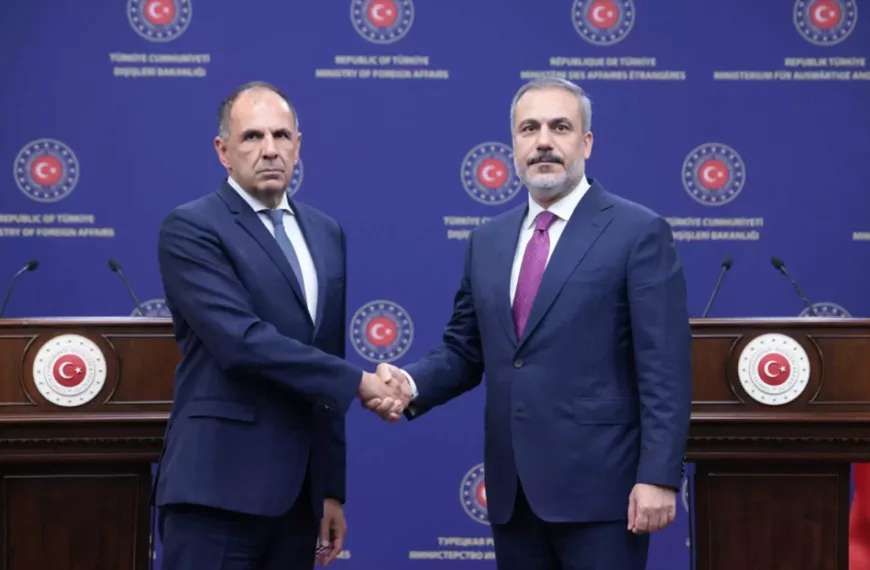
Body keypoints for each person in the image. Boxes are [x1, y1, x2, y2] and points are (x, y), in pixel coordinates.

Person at [369, 78, 692, 570]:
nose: (543, 141)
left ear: (586, 142)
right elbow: (464, 350)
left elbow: (664, 366)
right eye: (529, 129)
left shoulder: (638, 232)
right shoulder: (486, 242)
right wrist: (410, 384)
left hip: (605, 495)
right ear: (514, 145)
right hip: (514, 495)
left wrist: (659, 475)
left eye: (560, 127)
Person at [154, 80, 405, 570]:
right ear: (223, 151)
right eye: (252, 137)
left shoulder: (326, 233)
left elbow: (326, 358)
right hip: (216, 494)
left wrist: (330, 489)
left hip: (297, 503)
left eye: (281, 135)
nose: (269, 149)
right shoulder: (192, 227)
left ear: (298, 145)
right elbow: (241, 342)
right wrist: (360, 382)